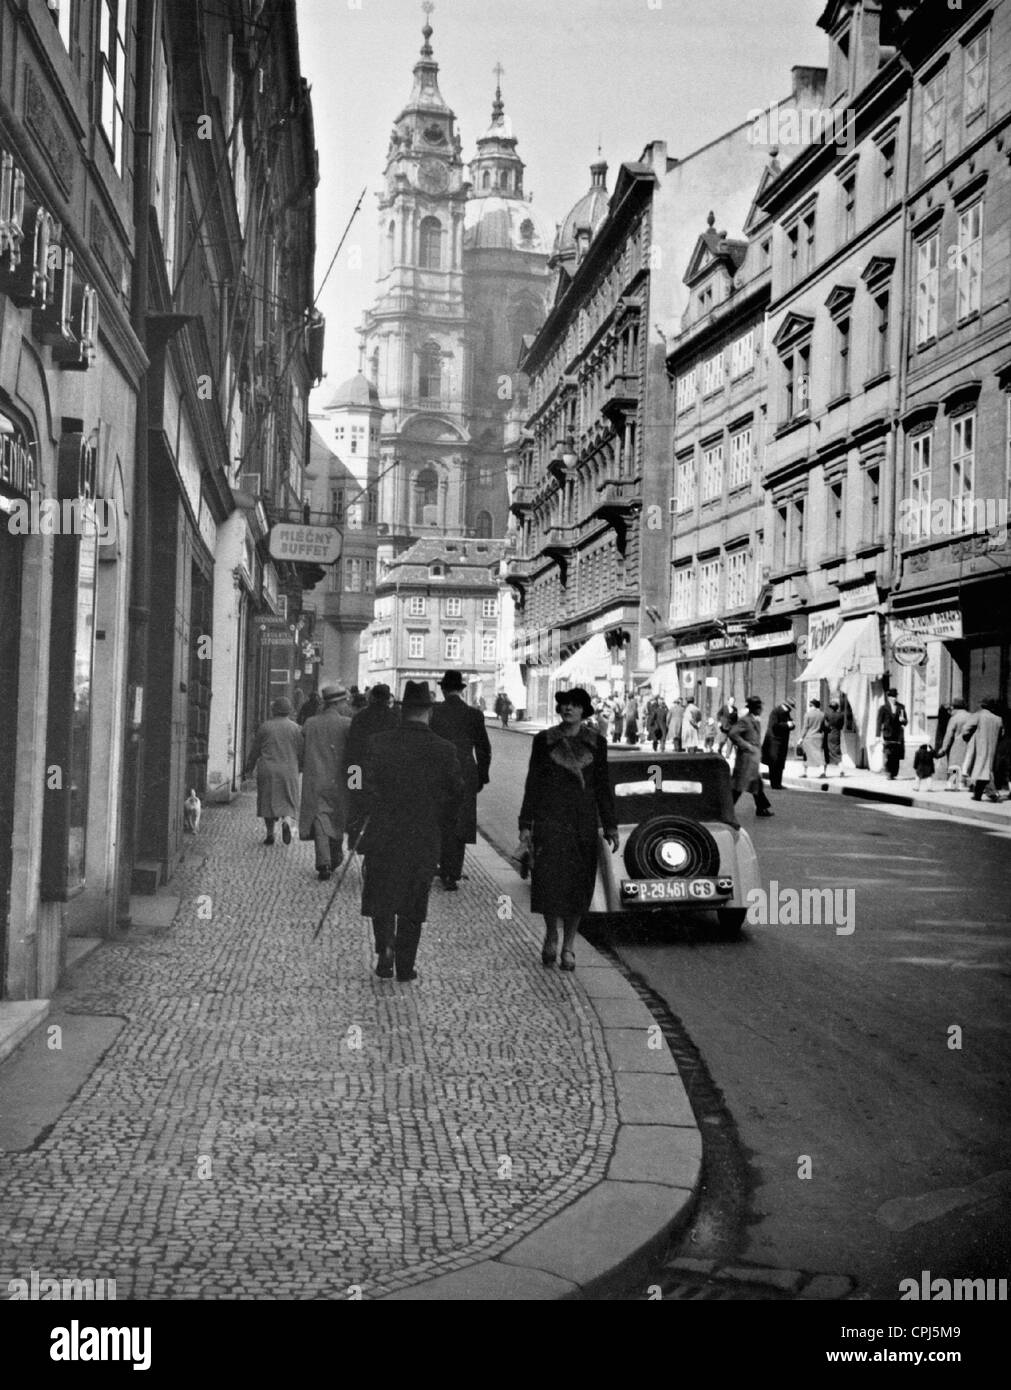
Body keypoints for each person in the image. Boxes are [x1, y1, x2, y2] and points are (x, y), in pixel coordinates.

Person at [360, 681, 463, 982]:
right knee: (414, 900)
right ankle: (405, 964)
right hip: (423, 836)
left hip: (383, 832)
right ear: (429, 712)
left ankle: (385, 949)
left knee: (382, 892)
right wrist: (440, 822)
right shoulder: (445, 750)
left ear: (403, 711)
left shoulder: (378, 743)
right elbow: (457, 794)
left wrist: (364, 813)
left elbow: (360, 782)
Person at [518, 687, 619, 973]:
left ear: (583, 711)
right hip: (550, 821)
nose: (568, 709)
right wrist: (525, 825)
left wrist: (610, 826)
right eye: (564, 704)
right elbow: (532, 784)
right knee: (549, 882)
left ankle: (569, 945)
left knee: (578, 885)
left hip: (581, 823)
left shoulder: (596, 743)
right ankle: (551, 935)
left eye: (574, 705)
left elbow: (602, 787)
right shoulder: (544, 741)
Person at [430, 669, 492, 889]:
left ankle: (441, 865)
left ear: (444, 689)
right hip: (466, 771)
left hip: (439, 771)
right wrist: (482, 776)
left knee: (440, 819)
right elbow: (484, 748)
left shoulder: (434, 713)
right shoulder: (474, 714)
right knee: (460, 820)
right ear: (461, 690)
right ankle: (452, 872)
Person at [299, 681, 353, 880]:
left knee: (320, 818)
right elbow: (354, 756)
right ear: (338, 704)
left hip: (315, 779)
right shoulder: (347, 724)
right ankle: (335, 855)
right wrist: (356, 782)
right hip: (339, 781)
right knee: (337, 817)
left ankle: (324, 861)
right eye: (344, 702)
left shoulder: (310, 724)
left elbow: (300, 751)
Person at [243, 697, 303, 845]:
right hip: (289, 769)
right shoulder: (296, 728)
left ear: (273, 710)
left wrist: (249, 768)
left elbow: (255, 750)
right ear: (289, 711)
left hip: (268, 770)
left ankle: (270, 834)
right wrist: (300, 767)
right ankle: (287, 821)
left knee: (267, 801)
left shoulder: (265, 727)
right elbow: (302, 751)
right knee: (288, 799)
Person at [345, 683, 399, 847]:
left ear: (372, 698)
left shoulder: (361, 717)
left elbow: (352, 749)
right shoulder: (395, 718)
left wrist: (352, 780)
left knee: (360, 812)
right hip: (387, 776)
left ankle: (359, 844)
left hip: (360, 772)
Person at [728, 696, 774, 816]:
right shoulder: (745, 720)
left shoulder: (754, 720)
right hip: (746, 758)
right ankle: (726, 809)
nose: (761, 709)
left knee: (755, 783)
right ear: (753, 708)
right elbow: (733, 733)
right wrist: (746, 746)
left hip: (752, 758)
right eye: (758, 707)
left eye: (760, 707)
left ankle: (761, 808)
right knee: (740, 785)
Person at [960, 698, 1004, 802]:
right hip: (992, 747)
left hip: (979, 746)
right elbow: (1002, 734)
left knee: (981, 770)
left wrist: (967, 738)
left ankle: (983, 794)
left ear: (982, 706)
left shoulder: (978, 715)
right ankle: (986, 793)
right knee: (986, 769)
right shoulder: (998, 718)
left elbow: (966, 729)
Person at [936, 696, 972, 790]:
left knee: (954, 765)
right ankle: (967, 785)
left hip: (956, 745)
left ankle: (953, 785)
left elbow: (949, 735)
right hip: (969, 745)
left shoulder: (954, 718)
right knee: (967, 764)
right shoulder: (971, 716)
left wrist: (943, 749)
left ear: (954, 707)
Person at [761, 700, 795, 789]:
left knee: (780, 763)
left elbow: (789, 724)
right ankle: (775, 783)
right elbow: (774, 726)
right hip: (774, 742)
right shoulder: (776, 712)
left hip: (781, 742)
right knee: (774, 763)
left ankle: (778, 783)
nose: (789, 711)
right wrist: (787, 725)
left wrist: (791, 725)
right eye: (789, 708)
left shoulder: (785, 712)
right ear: (785, 706)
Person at [875, 688, 908, 780]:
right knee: (888, 754)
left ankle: (894, 773)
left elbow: (905, 722)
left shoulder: (901, 707)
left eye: (895, 696)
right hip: (887, 734)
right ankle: (888, 772)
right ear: (888, 697)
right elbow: (879, 722)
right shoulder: (883, 708)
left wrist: (903, 720)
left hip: (897, 734)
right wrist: (877, 735)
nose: (894, 698)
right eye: (892, 696)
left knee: (896, 755)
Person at [798, 699, 827, 778]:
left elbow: (805, 728)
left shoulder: (807, 715)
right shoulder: (822, 714)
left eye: (810, 705)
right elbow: (825, 726)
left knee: (806, 755)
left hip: (809, 737)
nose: (809, 707)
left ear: (812, 706)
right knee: (819, 754)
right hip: (819, 737)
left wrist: (801, 738)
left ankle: (804, 772)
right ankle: (822, 772)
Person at [824, 699, 845, 777]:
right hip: (836, 733)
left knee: (826, 752)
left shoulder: (827, 714)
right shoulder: (840, 715)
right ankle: (841, 770)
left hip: (828, 734)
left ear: (830, 707)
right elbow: (841, 725)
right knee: (837, 752)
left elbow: (825, 724)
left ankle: (823, 772)